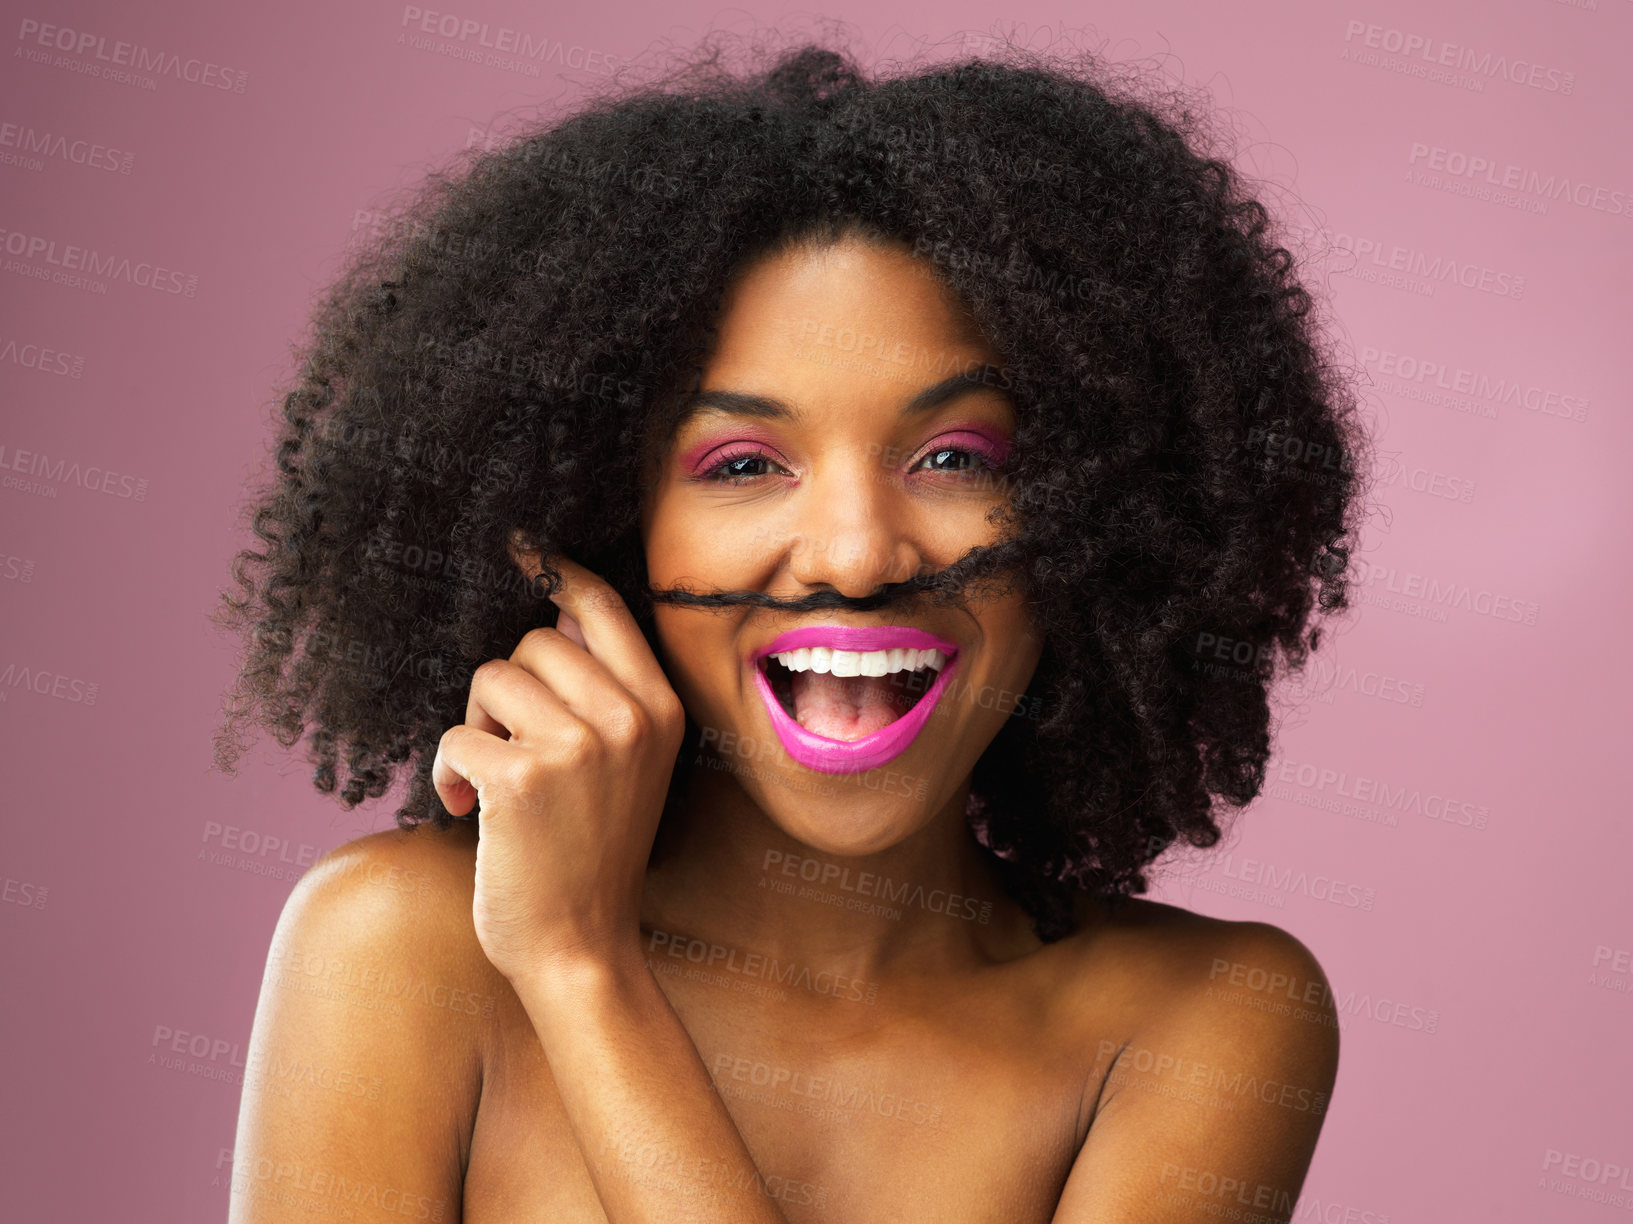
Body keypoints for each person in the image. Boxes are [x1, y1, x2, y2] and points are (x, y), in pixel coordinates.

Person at [215, 35, 1371, 1223]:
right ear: (603, 529)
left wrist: (582, 973)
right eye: (745, 462)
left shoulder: (1202, 1021)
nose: (857, 554)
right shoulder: (395, 953)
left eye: (952, 456)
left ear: (1108, 516)